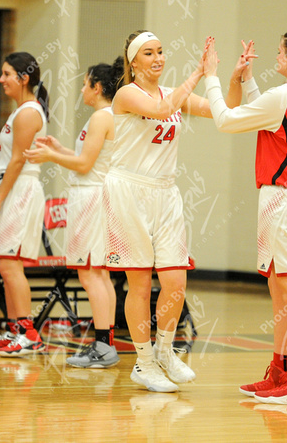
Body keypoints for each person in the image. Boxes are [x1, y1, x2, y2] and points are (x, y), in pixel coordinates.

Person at [202, 29, 287, 406]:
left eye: (279, 51)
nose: (275, 57)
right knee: (282, 292)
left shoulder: (286, 95)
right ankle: (281, 372)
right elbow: (273, 123)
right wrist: (248, 81)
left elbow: (226, 121)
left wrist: (212, 75)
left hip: (286, 201)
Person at [104, 31, 232, 393]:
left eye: (161, 51)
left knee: (176, 280)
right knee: (141, 283)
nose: (158, 58)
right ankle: (143, 363)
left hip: (165, 192)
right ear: (133, 61)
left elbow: (223, 112)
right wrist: (195, 74)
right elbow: (163, 110)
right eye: (149, 53)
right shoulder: (128, 94)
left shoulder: (173, 94)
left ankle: (164, 351)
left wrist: (227, 77)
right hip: (129, 189)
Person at [24, 58, 124, 368]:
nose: (82, 88)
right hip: (97, 197)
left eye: (85, 83)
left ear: (96, 87)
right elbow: (86, 160)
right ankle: (104, 344)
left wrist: (51, 155)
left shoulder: (101, 118)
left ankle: (103, 346)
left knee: (90, 274)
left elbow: (83, 167)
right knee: (100, 275)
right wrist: (62, 149)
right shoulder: (107, 116)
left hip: (91, 200)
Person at [0, 52, 49, 358]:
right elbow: (11, 157)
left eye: (7, 74)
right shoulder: (20, 111)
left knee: (11, 264)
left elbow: (19, 160)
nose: (2, 79)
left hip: (21, 192)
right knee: (7, 266)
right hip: (12, 185)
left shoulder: (30, 112)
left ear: (24, 78)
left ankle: (29, 334)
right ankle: (16, 330)